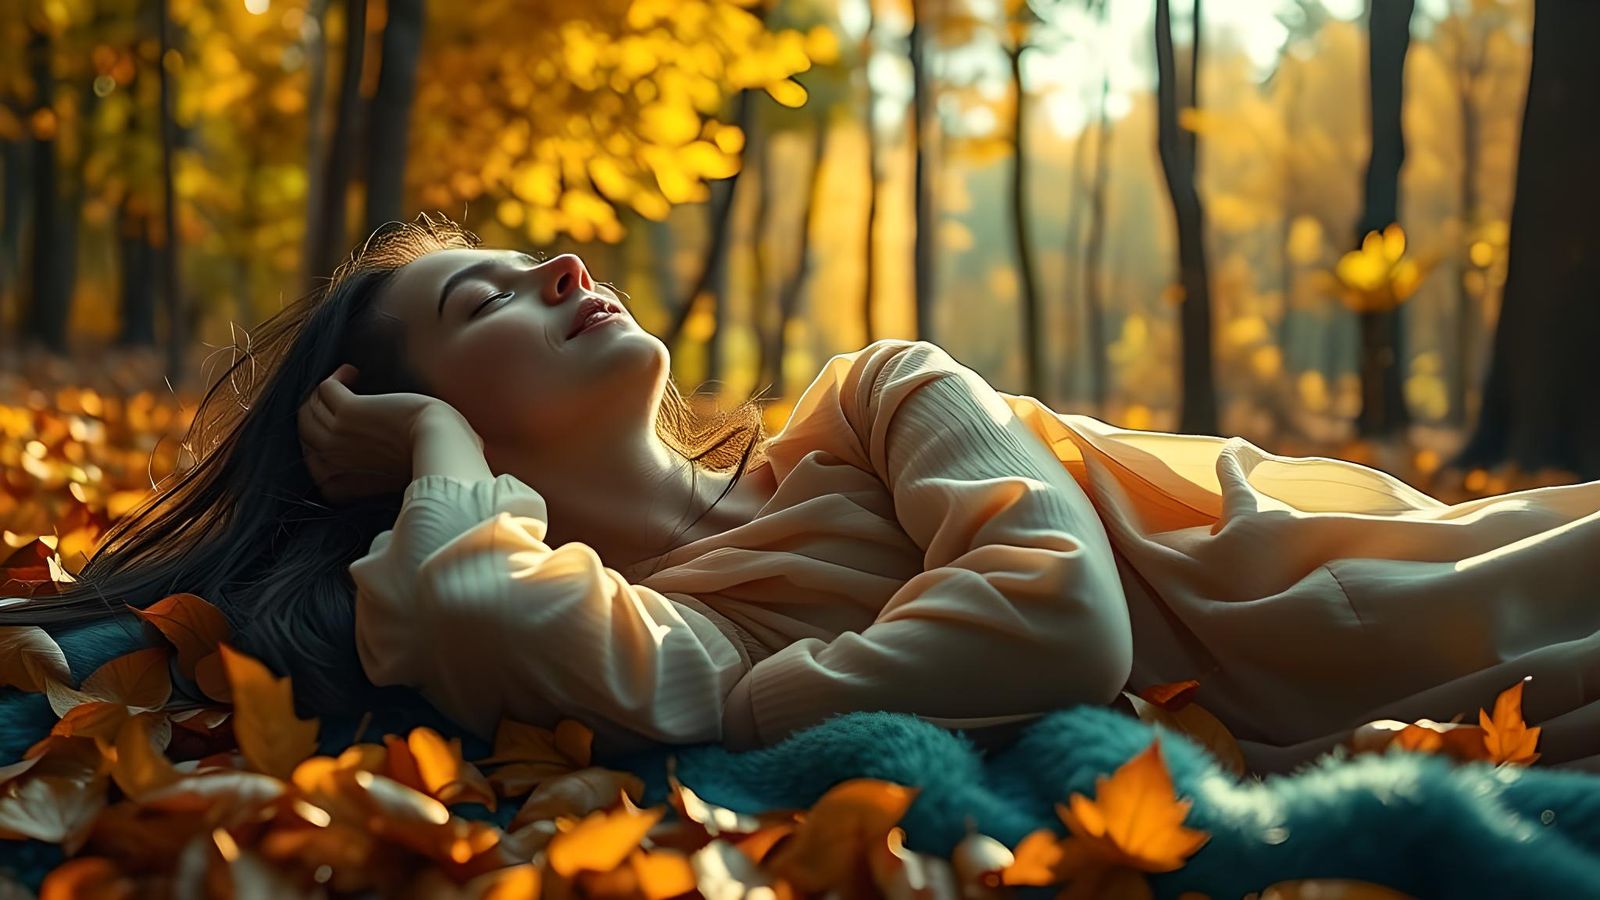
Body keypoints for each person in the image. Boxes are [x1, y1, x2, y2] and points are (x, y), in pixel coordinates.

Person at [11, 213, 1600, 776]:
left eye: (531, 255)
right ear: (433, 426)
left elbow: (1062, 622)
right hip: (1456, 701)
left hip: (1450, 579)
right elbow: (467, 600)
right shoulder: (681, 634)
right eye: (482, 299)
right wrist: (439, 459)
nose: (562, 261)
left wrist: (765, 707)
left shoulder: (877, 396)